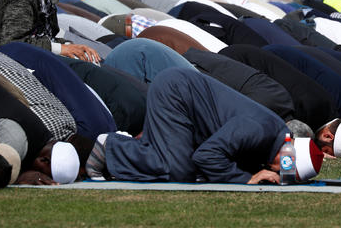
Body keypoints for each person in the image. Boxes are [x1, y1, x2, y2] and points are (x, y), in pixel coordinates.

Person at [85, 68, 324, 184]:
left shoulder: (273, 137)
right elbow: (207, 155)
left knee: (186, 168)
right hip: (176, 93)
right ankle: (112, 145)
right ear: (286, 156)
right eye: (284, 171)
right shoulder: (258, 130)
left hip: (185, 96)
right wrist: (247, 180)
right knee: (178, 171)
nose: (278, 174)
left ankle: (137, 151)